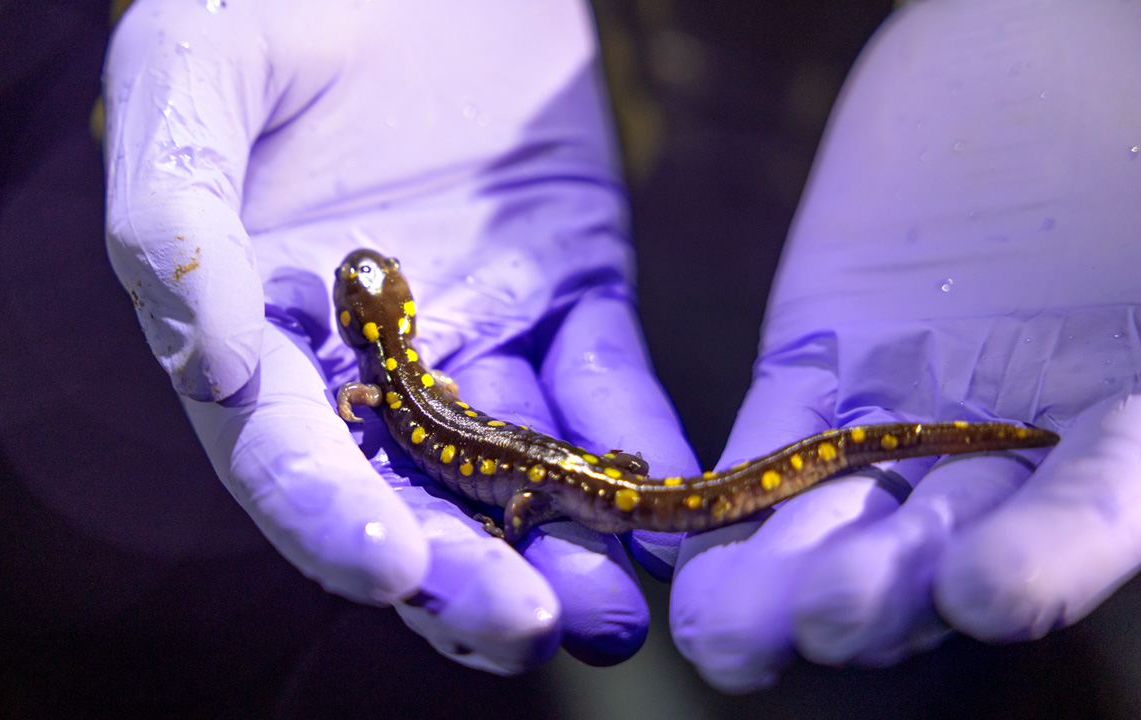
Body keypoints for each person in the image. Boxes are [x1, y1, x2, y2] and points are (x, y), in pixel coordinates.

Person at [105, 0, 1141, 692]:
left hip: (785, 219)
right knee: (806, 575)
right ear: (399, 321)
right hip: (665, 219)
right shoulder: (392, 380)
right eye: (360, 293)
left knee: (936, 554)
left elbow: (373, 407)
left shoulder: (379, 387)